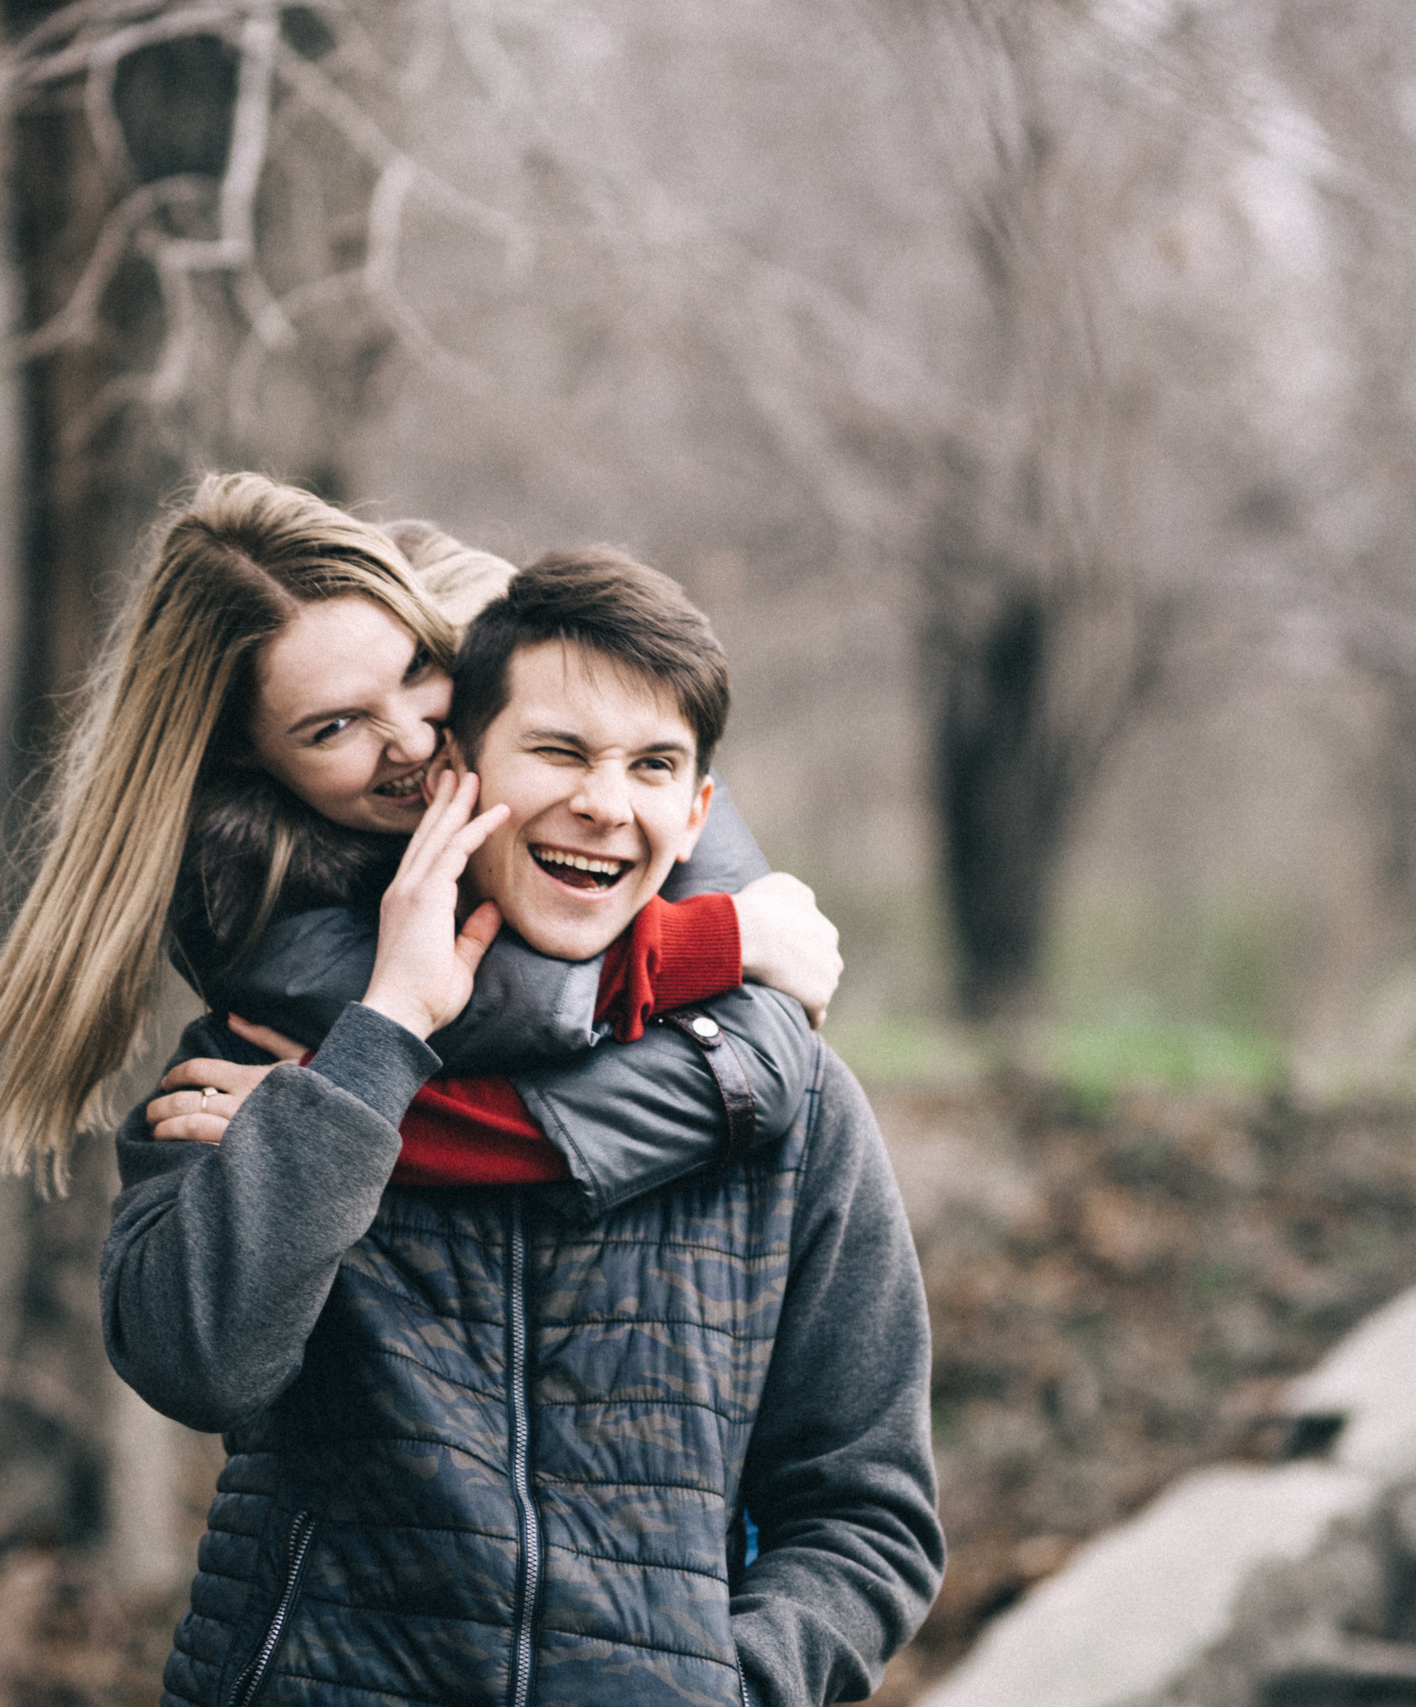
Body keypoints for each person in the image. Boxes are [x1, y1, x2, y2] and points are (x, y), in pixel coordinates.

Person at [103, 548, 943, 1706]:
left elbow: (864, 1513)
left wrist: (723, 1688)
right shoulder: (258, 1067)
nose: (604, 805)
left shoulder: (784, 1106)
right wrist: (378, 1045)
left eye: (652, 765)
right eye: (556, 752)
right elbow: (196, 1362)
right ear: (453, 772)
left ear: (696, 810)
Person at [0, 473, 836, 1206]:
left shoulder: (518, 685)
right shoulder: (246, 896)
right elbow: (525, 1003)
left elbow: (765, 1042)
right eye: (334, 728)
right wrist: (729, 940)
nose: (413, 739)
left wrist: (757, 933)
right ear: (245, 753)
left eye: (417, 672)